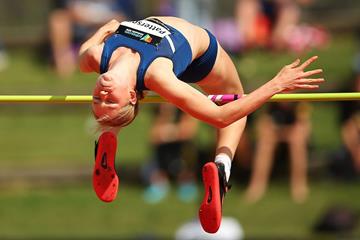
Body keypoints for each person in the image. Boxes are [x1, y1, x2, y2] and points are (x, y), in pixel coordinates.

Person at [79, 16, 324, 233]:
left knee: (114, 111)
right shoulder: (158, 75)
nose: (103, 92)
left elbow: (82, 53)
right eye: (110, 99)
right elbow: (221, 116)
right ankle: (221, 169)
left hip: (162, 59)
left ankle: (108, 133)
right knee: (235, 97)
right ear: (133, 95)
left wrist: (105, 30)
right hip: (199, 58)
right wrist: (276, 85)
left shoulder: (97, 56)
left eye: (98, 98)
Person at [245, 102, 311, 203]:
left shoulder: (300, 103)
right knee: (265, 144)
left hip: (293, 133)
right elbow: (261, 126)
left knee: (297, 142)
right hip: (274, 133)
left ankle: (299, 186)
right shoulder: (271, 102)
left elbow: (305, 128)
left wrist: (289, 132)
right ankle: (257, 186)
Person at [143, 104, 199, 204]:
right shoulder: (161, 109)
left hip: (182, 151)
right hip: (164, 152)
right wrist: (166, 112)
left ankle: (186, 182)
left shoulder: (186, 106)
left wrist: (167, 133)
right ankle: (159, 183)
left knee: (186, 150)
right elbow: (154, 136)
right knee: (160, 151)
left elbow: (188, 131)